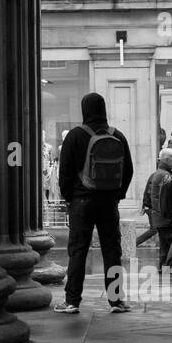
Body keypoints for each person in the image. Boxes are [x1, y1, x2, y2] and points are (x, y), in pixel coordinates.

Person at [54, 92, 134, 315]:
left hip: (82, 201)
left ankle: (72, 302)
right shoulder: (117, 135)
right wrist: (117, 195)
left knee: (78, 250)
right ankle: (116, 301)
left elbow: (65, 174)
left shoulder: (75, 136)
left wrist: (71, 199)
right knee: (112, 250)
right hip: (109, 202)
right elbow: (128, 170)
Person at [141, 148, 172, 269]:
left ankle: (164, 271)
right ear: (167, 160)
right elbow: (167, 200)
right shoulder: (165, 176)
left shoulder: (159, 173)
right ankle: (169, 272)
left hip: (161, 219)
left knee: (165, 249)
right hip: (166, 220)